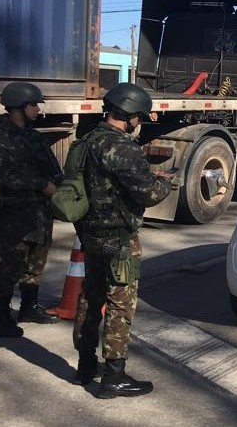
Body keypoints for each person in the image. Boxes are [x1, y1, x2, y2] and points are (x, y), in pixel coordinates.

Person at [72, 83, 173, 398]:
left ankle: (85, 366)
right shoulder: (123, 148)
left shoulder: (86, 142)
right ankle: (113, 377)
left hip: (91, 234)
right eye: (139, 117)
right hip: (120, 238)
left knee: (90, 298)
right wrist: (166, 183)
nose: (139, 122)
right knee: (120, 305)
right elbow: (149, 193)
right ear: (129, 115)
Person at [0, 82, 63, 337]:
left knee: (36, 262)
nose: (38, 109)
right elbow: (4, 177)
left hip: (40, 212)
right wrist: (42, 185)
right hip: (16, 214)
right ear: (19, 106)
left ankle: (29, 307)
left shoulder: (33, 135)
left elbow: (52, 167)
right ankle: (1, 317)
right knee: (11, 265)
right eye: (33, 105)